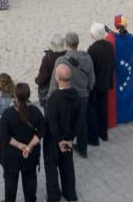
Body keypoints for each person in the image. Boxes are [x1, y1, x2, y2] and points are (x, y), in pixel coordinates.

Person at [47, 33, 93, 157]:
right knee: (82, 122)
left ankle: (64, 145)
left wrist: (50, 99)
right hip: (83, 96)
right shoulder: (87, 57)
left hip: (67, 95)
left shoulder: (61, 60)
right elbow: (91, 79)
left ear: (66, 45)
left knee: (66, 121)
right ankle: (82, 149)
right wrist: (87, 90)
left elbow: (54, 82)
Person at [0, 82, 45, 202]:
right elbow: (42, 131)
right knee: (30, 183)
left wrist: (19, 145)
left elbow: (4, 137)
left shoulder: (7, 114)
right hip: (30, 155)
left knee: (10, 184)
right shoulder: (35, 111)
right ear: (28, 95)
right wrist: (28, 147)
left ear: (15, 95)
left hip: (12, 156)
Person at [44, 63, 80, 202]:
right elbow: (78, 120)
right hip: (68, 138)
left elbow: (52, 123)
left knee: (52, 168)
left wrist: (60, 141)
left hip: (54, 141)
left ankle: (53, 197)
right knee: (67, 167)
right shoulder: (76, 95)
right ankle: (70, 194)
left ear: (57, 78)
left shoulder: (54, 98)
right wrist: (70, 139)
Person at [86, 23, 114, 144]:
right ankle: (103, 133)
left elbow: (90, 69)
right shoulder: (109, 46)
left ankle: (93, 138)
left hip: (95, 84)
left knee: (92, 109)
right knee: (103, 108)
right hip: (106, 81)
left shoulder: (92, 49)